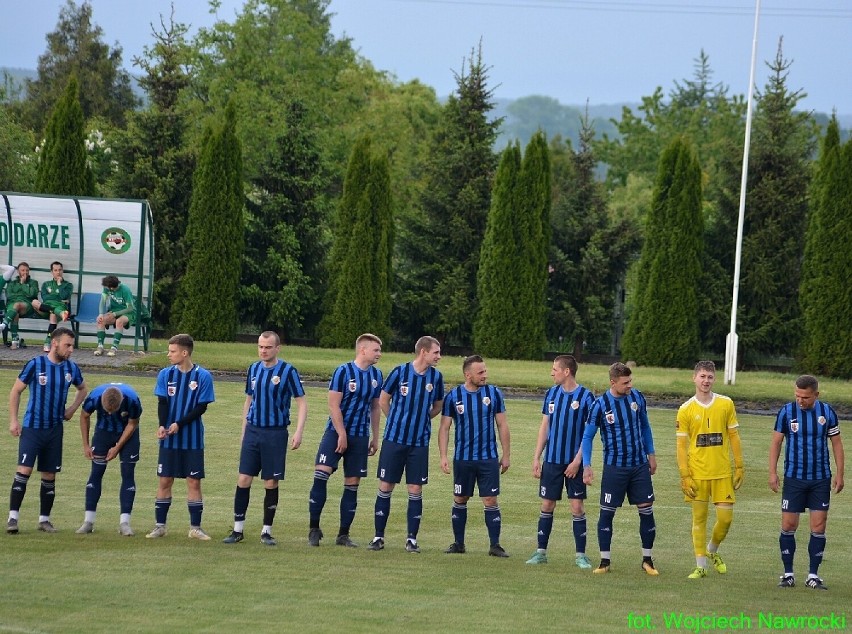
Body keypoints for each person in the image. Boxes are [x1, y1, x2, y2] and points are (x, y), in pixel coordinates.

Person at [223, 331, 307, 546]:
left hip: (276, 433)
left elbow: (301, 402)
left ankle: (266, 531)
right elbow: (248, 400)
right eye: (260, 346)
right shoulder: (253, 369)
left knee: (270, 481)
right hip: (253, 430)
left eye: (268, 347)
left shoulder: (288, 371)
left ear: (277, 348)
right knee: (243, 479)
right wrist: (244, 430)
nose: (263, 350)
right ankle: (237, 529)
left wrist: (298, 431)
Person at [366, 336, 444, 553]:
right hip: (394, 440)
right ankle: (378, 536)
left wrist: (424, 419)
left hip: (419, 442)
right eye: (436, 352)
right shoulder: (399, 372)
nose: (439, 356)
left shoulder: (436, 377)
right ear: (423, 352)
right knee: (386, 485)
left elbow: (438, 405)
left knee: (415, 488)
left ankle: (411, 539)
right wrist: (394, 420)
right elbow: (383, 399)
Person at [7, 326, 87, 534]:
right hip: (33, 428)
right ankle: (12, 518)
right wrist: (14, 421)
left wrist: (71, 409)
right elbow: (15, 391)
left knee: (49, 475)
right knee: (24, 471)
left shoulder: (71, 369)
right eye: (67, 345)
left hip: (54, 430)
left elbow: (83, 389)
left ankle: (44, 520)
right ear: (55, 343)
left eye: (72, 346)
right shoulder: (36, 364)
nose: (71, 350)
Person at [582, 362, 658, 575]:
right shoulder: (600, 405)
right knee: (607, 514)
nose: (629, 386)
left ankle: (648, 560)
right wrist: (586, 465)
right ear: (613, 382)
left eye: (631, 381)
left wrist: (651, 455)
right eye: (625, 383)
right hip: (615, 468)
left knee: (646, 509)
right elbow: (588, 437)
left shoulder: (637, 398)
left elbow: (645, 426)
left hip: (639, 466)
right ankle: (604, 562)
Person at [769, 374, 844, 591]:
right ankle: (788, 574)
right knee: (788, 525)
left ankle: (813, 575)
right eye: (797, 396)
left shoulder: (827, 412)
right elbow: (776, 443)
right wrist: (772, 473)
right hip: (794, 478)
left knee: (818, 526)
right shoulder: (786, 412)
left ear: (816, 395)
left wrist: (840, 474)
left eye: (806, 397)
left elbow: (837, 444)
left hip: (820, 479)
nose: (801, 401)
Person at [308, 333, 383, 548]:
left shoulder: (377, 375)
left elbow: (375, 407)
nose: (379, 353)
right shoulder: (343, 371)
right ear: (363, 350)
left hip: (360, 436)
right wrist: (341, 433)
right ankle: (314, 529)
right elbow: (333, 405)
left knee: (352, 484)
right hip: (335, 432)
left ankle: (343, 534)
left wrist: (375, 437)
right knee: (321, 475)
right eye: (376, 350)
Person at [526, 355, 596, 568]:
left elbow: (589, 433)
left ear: (567, 371)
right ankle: (540, 552)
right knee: (547, 504)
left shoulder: (586, 397)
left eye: (555, 369)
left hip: (574, 462)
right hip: (552, 461)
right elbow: (545, 426)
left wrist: (578, 462)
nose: (551, 372)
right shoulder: (551, 394)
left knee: (577, 507)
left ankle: (581, 555)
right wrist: (537, 457)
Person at [676, 360, 744, 580]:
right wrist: (685, 475)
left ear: (714, 379)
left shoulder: (726, 404)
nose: (706, 381)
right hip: (697, 474)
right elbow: (681, 445)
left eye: (710, 377)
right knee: (699, 519)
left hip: (722, 472)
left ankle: (712, 551)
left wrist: (740, 466)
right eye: (702, 376)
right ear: (694, 378)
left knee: (725, 520)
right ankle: (700, 566)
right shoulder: (685, 409)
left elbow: (733, 436)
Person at [438, 354, 511, 557]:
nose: (485, 375)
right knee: (460, 498)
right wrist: (443, 455)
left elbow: (502, 425)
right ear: (467, 375)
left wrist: (506, 455)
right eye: (480, 372)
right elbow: (444, 427)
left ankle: (495, 545)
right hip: (463, 458)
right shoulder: (453, 396)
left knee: (490, 499)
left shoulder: (494, 393)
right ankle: (458, 543)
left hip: (488, 458)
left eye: (485, 371)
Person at [146, 334, 215, 540]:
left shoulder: (203, 376)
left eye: (172, 351)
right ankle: (160, 526)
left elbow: (201, 407)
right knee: (165, 480)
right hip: (169, 439)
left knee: (194, 482)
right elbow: (163, 403)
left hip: (192, 439)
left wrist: (178, 424)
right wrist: (162, 425)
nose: (168, 354)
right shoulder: (165, 375)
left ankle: (195, 528)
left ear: (184, 353)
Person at [75, 383, 143, 536]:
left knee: (127, 473)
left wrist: (117, 447)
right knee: (96, 472)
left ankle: (125, 523)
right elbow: (84, 416)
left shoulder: (133, 400)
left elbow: (132, 423)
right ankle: (88, 521)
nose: (111, 413)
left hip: (127, 434)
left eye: (115, 411)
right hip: (103, 433)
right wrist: (86, 445)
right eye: (107, 411)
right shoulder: (94, 398)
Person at [32, 261, 73, 353]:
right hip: (46, 307)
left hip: (60, 306)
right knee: (34, 302)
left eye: (60, 270)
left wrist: (59, 285)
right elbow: (45, 297)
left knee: (53, 315)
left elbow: (64, 296)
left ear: (62, 271)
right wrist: (57, 297)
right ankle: (60, 313)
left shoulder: (68, 285)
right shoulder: (46, 284)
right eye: (55, 270)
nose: (58, 272)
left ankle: (47, 342)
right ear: (51, 272)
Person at [94, 275, 138, 357]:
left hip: (128, 313)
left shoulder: (125, 290)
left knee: (119, 321)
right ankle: (100, 347)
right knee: (101, 320)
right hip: (114, 311)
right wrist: (100, 314)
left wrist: (115, 314)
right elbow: (102, 301)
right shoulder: (107, 288)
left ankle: (114, 348)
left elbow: (130, 308)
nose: (107, 289)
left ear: (112, 288)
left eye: (108, 288)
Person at [1, 262, 41, 350]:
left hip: (28, 306)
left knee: (17, 305)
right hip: (13, 306)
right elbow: (9, 295)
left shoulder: (34, 283)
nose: (25, 272)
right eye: (23, 270)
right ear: (18, 272)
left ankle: (4, 324)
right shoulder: (12, 283)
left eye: (27, 270)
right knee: (15, 311)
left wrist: (23, 284)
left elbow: (32, 294)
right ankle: (15, 340)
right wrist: (24, 291)